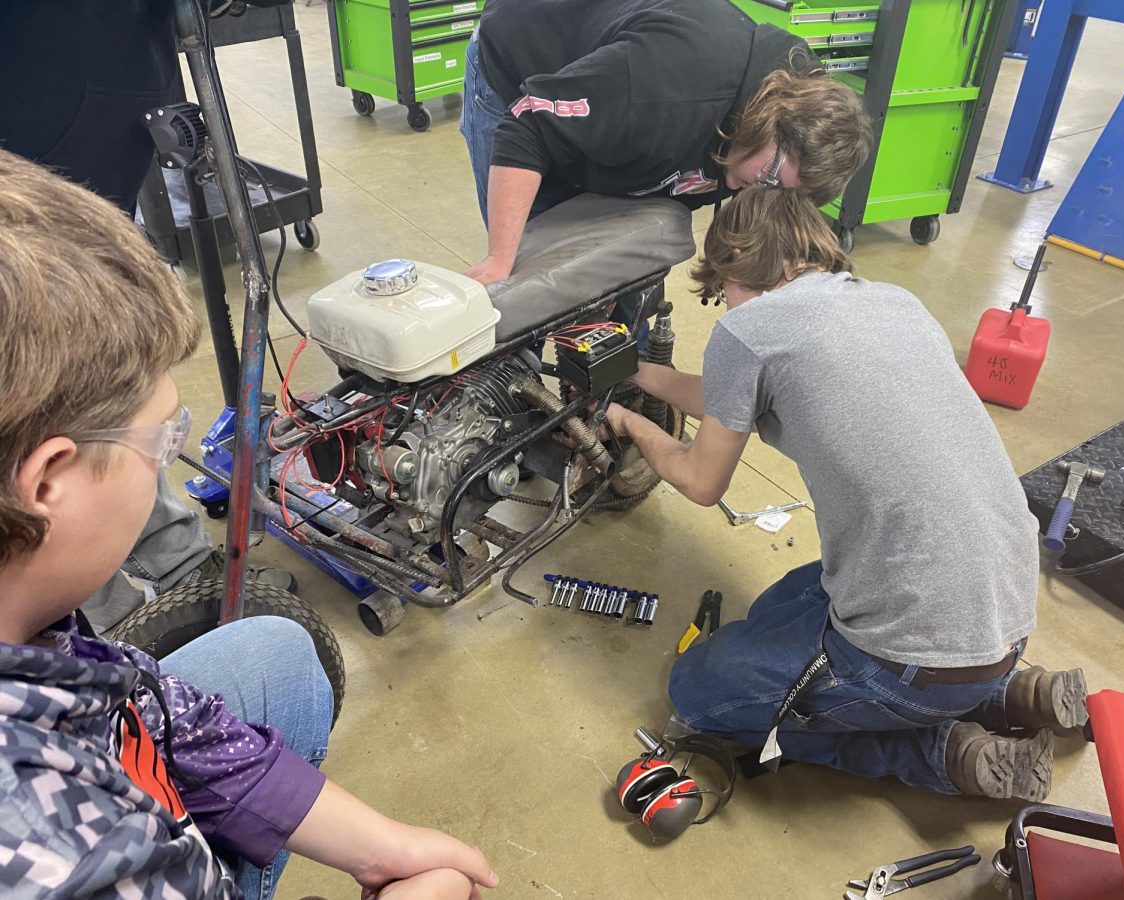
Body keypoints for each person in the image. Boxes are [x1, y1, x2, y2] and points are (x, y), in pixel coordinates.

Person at [0, 149, 500, 900]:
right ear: (48, 481)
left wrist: (380, 847)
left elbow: (153, 705)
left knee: (275, 655)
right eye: (162, 440)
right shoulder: (60, 857)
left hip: (104, 766)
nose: (169, 460)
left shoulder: (31, 629)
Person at [602, 187, 1089, 801]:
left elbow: (702, 482)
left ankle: (942, 754)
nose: (720, 299)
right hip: (1004, 617)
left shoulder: (749, 328)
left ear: (739, 262)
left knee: (697, 692)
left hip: (912, 661)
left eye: (720, 283)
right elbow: (730, 405)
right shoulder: (896, 302)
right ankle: (1016, 689)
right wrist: (637, 371)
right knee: (778, 605)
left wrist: (628, 422)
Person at [0, 0, 297, 637]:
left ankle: (175, 562)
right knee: (45, 409)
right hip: (28, 145)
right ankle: (93, 617)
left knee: (123, 396)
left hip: (103, 113)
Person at [460, 0, 873, 286]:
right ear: (768, 121)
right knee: (529, 278)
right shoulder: (666, 90)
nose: (762, 195)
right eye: (768, 178)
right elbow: (529, 126)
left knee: (616, 292)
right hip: (520, 67)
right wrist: (500, 261)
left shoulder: (791, 114)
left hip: (622, 104)